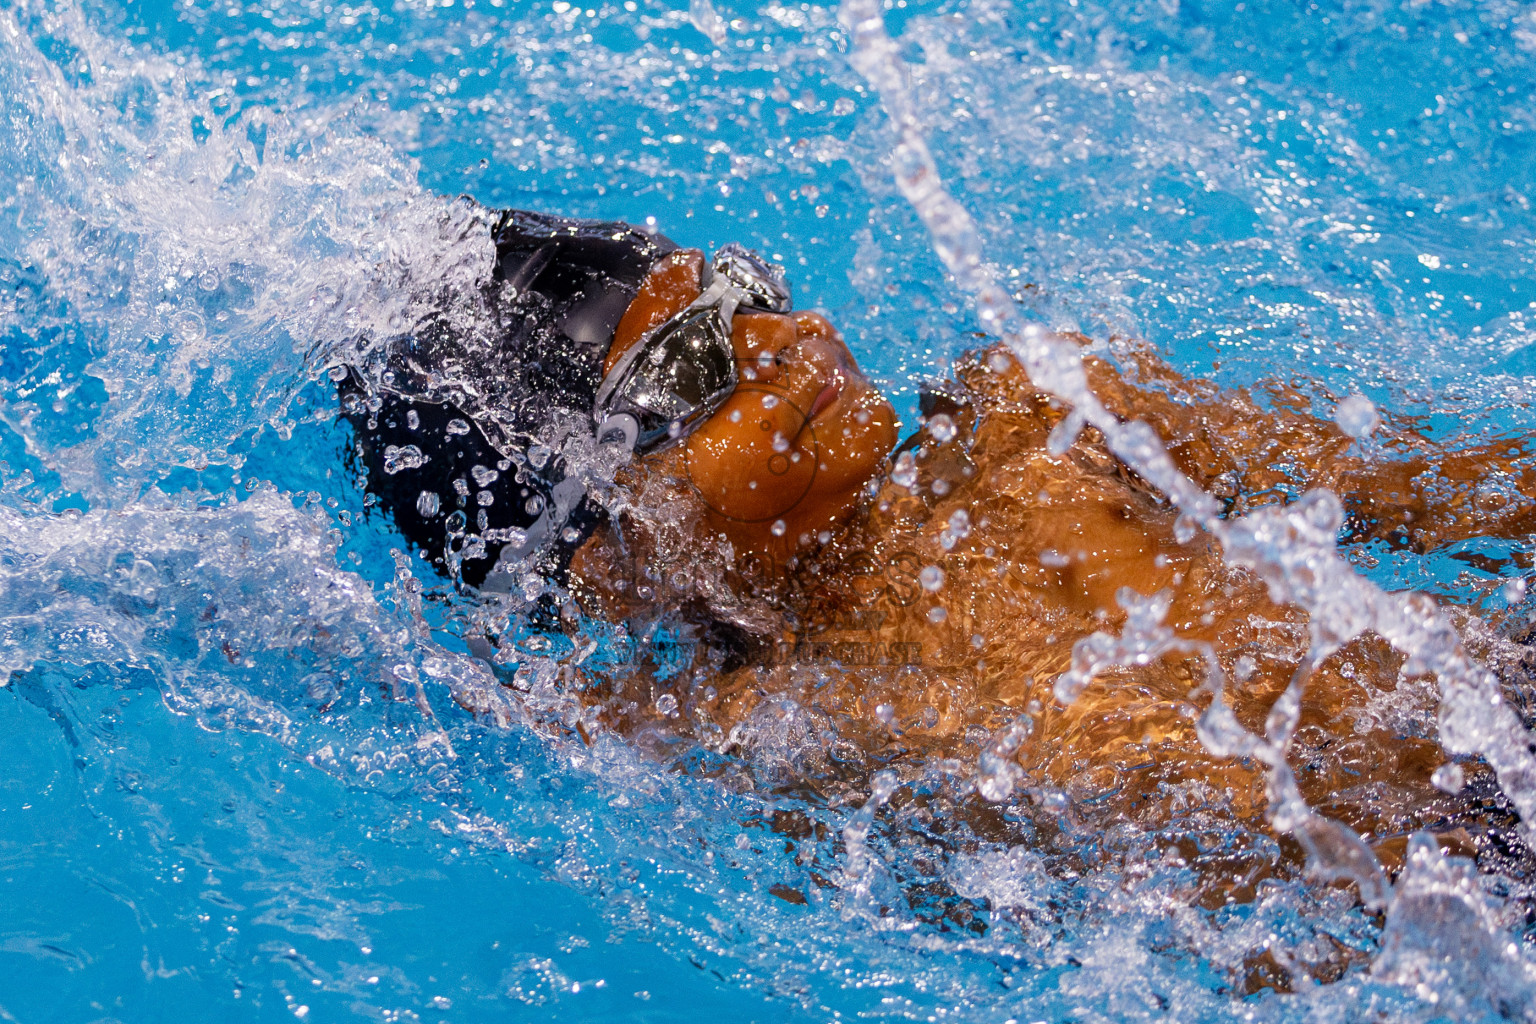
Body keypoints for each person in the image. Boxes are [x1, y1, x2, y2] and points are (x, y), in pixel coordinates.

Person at [343, 206, 1536, 919]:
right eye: (698, 370)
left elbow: (1456, 491)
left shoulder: (1043, 420)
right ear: (610, 554)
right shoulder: (754, 729)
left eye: (742, 291)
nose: (794, 337)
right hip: (1415, 926)